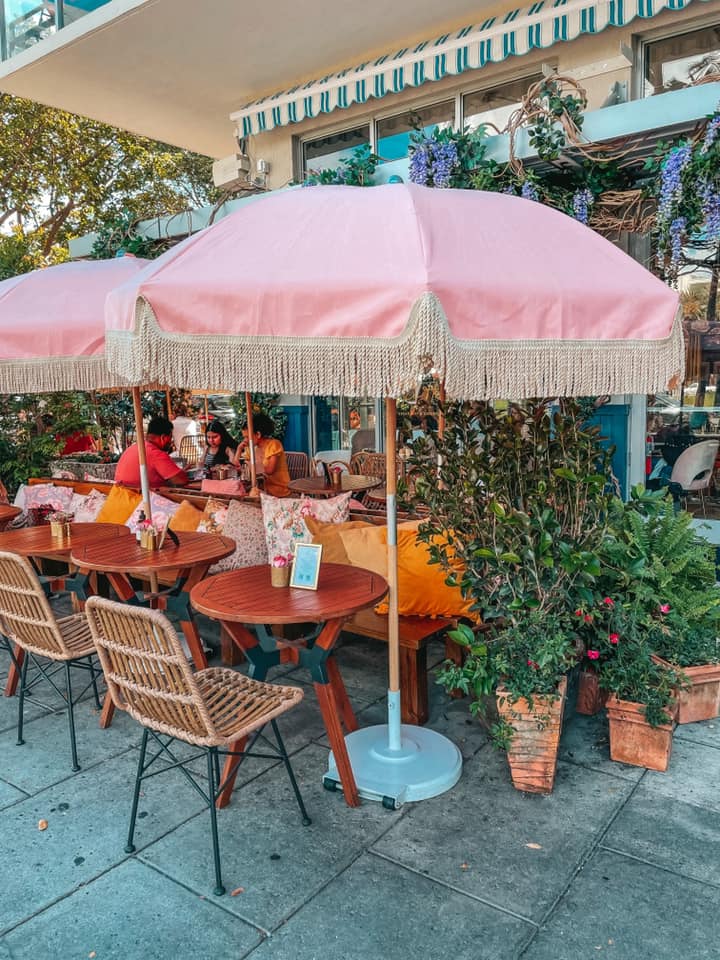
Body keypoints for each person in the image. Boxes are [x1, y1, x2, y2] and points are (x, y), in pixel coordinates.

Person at [115, 416, 189, 489]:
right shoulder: (156, 453)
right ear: (163, 437)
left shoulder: (132, 448)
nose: (171, 442)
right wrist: (182, 474)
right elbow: (180, 480)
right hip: (139, 498)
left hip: (121, 496)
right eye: (170, 438)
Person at [236, 412, 290, 497]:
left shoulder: (274, 445)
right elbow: (236, 465)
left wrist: (251, 464)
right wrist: (239, 449)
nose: (245, 440)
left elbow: (270, 470)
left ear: (258, 434)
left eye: (247, 437)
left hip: (278, 491)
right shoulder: (251, 448)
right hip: (261, 489)